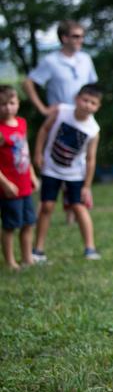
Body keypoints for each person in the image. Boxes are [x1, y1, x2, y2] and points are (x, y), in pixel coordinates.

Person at [33, 83, 102, 262]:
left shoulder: (93, 130)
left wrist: (87, 185)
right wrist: (38, 153)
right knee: (47, 206)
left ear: (98, 107)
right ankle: (38, 249)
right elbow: (44, 130)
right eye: (85, 100)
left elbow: (91, 159)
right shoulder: (62, 111)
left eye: (93, 103)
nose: (87, 105)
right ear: (76, 99)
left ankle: (90, 248)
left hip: (75, 173)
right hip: (51, 167)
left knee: (79, 207)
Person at [23, 20, 98, 117]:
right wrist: (43, 109)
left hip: (84, 118)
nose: (81, 40)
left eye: (82, 36)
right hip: (61, 118)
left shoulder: (86, 59)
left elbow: (92, 88)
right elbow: (27, 83)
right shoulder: (51, 61)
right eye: (76, 36)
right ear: (64, 38)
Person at [0, 86, 39, 270]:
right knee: (10, 225)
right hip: (9, 187)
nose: (7, 108)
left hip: (24, 184)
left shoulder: (22, 123)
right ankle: (10, 261)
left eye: (11, 103)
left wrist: (32, 175)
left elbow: (25, 152)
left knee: (29, 222)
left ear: (18, 103)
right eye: (2, 104)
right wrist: (5, 183)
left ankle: (27, 257)